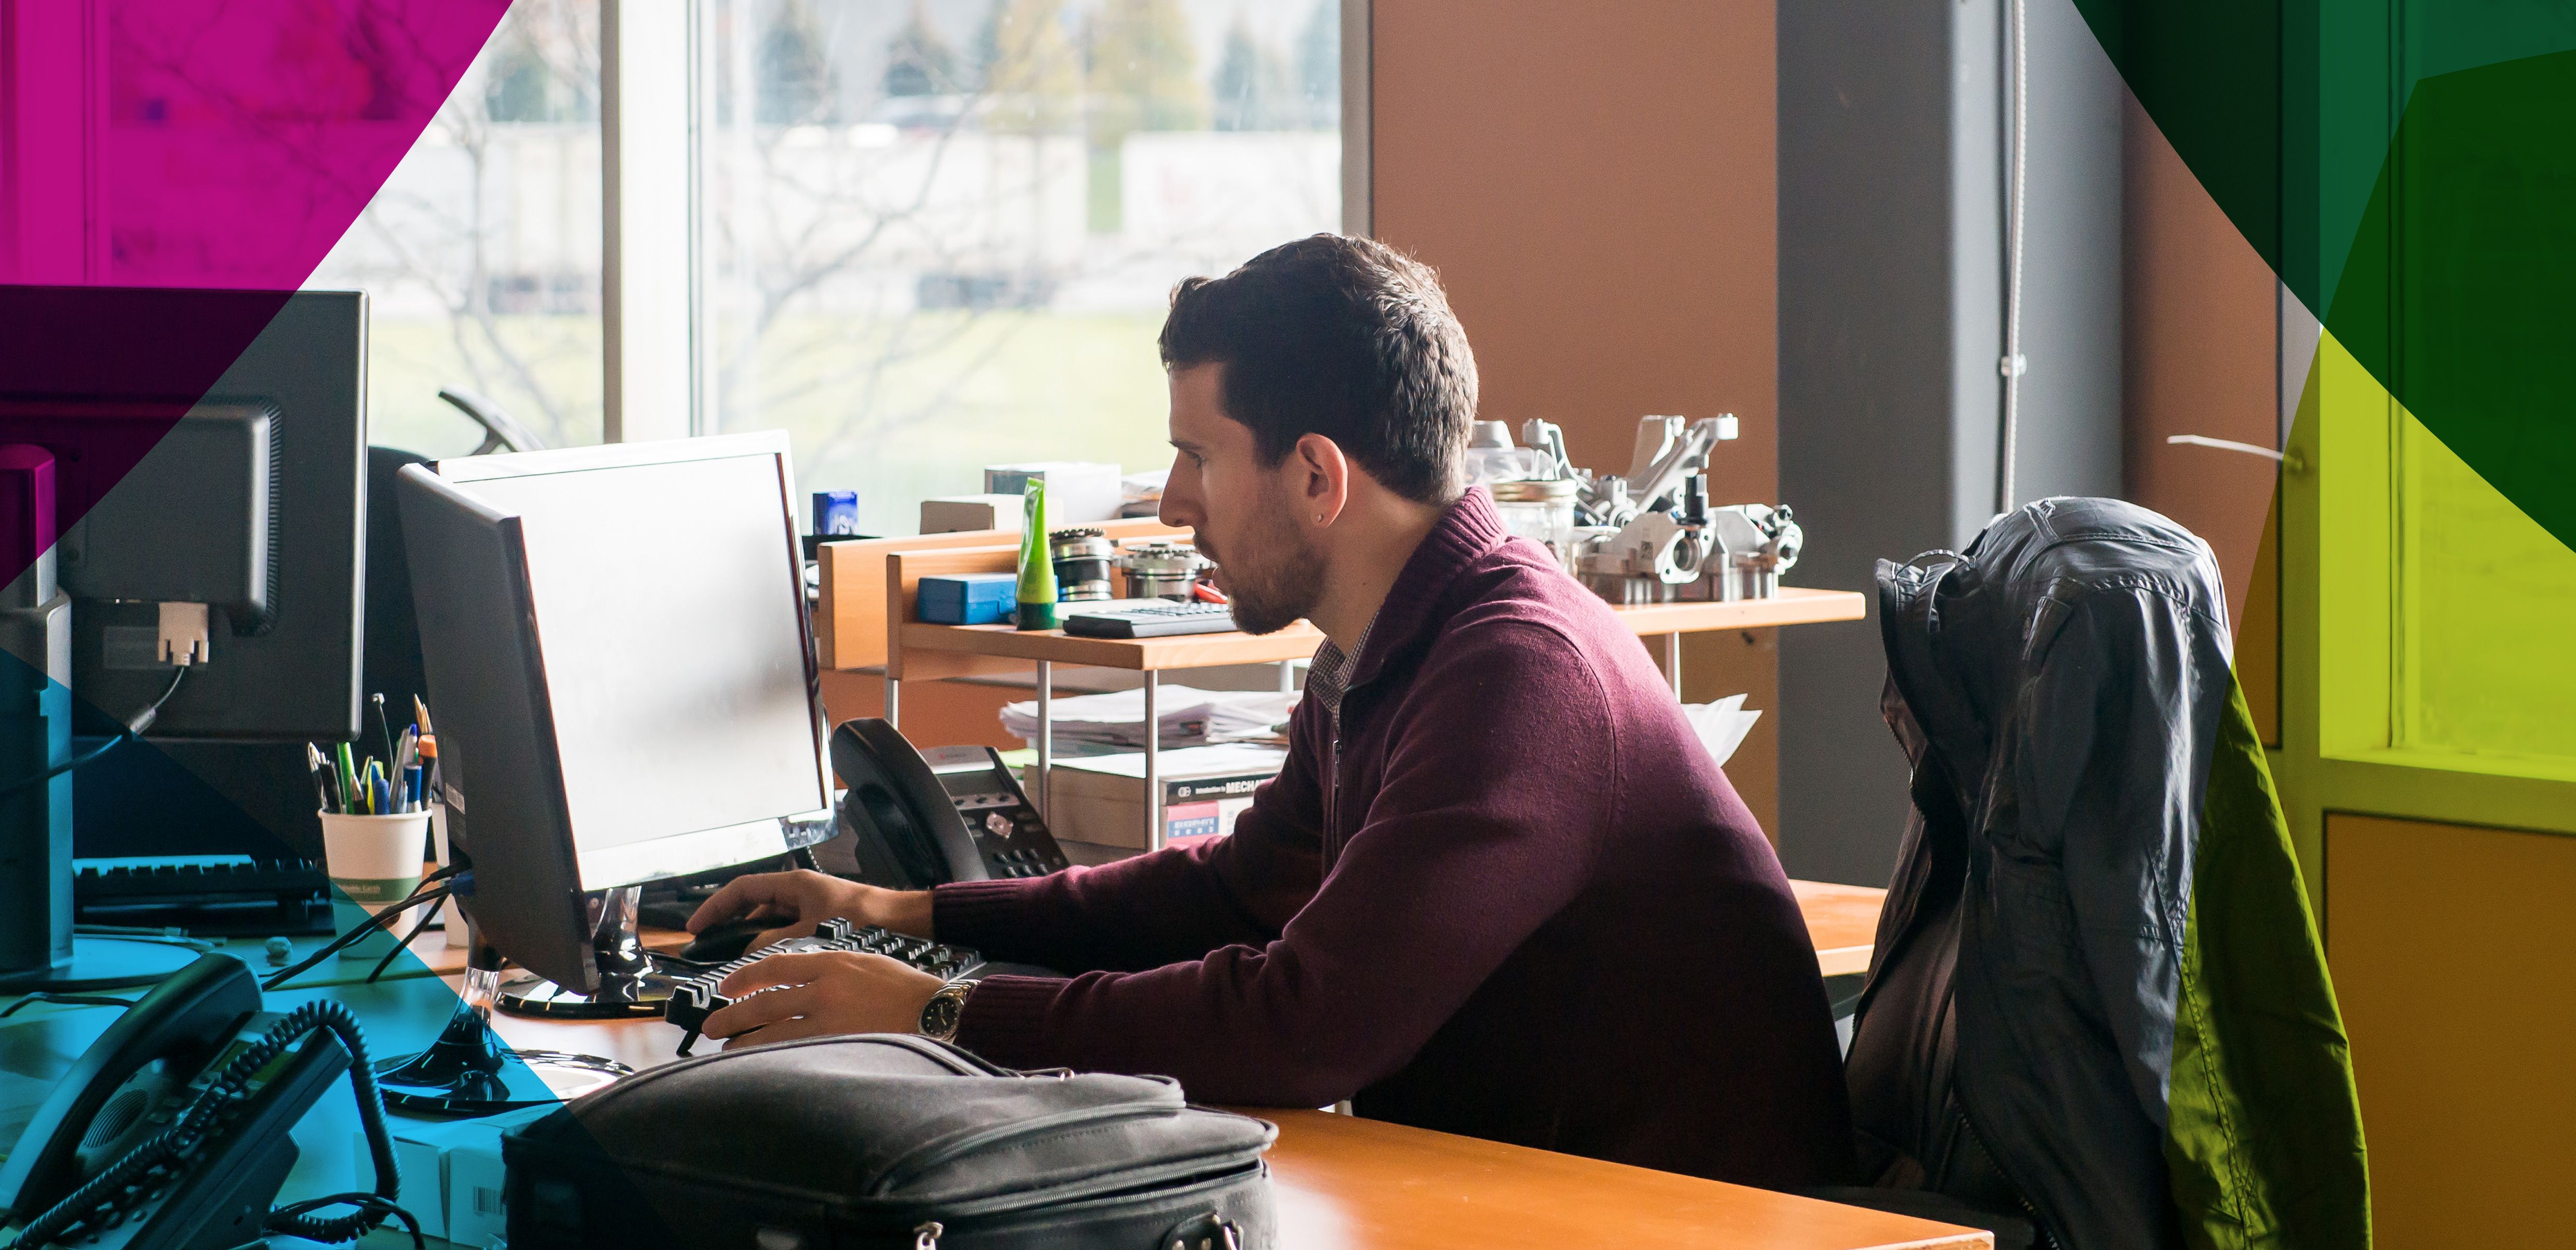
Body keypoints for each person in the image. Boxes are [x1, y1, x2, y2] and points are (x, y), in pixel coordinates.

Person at [688, 234, 1855, 1187]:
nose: (1172, 499)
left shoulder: (1519, 675)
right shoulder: (1385, 647)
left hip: (1693, 1223)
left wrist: (943, 1011)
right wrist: (906, 908)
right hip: (1541, 1194)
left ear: (1315, 475)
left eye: (1197, 455)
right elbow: (1234, 896)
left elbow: (1307, 1026)